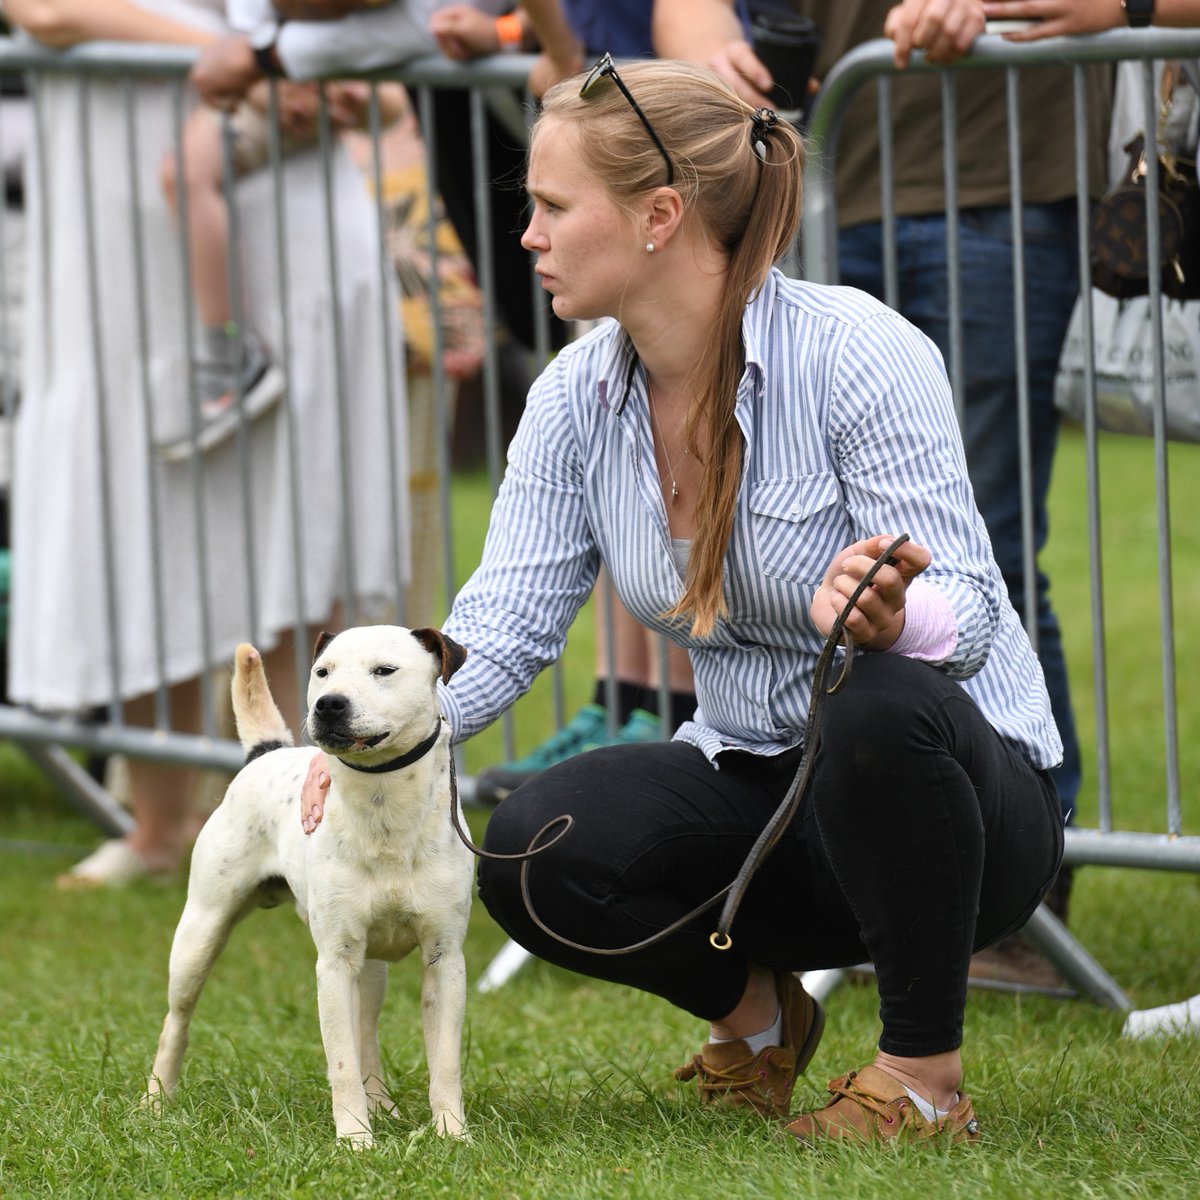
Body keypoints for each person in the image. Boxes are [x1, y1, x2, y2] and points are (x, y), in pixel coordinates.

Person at [303, 57, 1066, 1143]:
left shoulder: (857, 350)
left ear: (660, 215)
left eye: (554, 208)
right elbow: (501, 628)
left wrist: (899, 619)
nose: (528, 236)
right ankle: (759, 1029)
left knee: (878, 699)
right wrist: (367, 743)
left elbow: (976, 614)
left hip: (968, 818)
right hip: (760, 793)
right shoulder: (573, 392)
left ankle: (924, 1080)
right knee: (531, 844)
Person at [656, 0, 1112, 987]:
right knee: (838, 560)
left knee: (973, 558)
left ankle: (1015, 893)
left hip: (1002, 193)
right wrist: (701, 63)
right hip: (837, 187)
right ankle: (864, 873)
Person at [6, 0, 408, 886]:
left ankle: (330, 820)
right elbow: (47, 11)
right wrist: (247, 58)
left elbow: (361, 49)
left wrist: (296, 68)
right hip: (122, 238)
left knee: (302, 513)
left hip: (287, 208)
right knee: (145, 505)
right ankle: (161, 824)